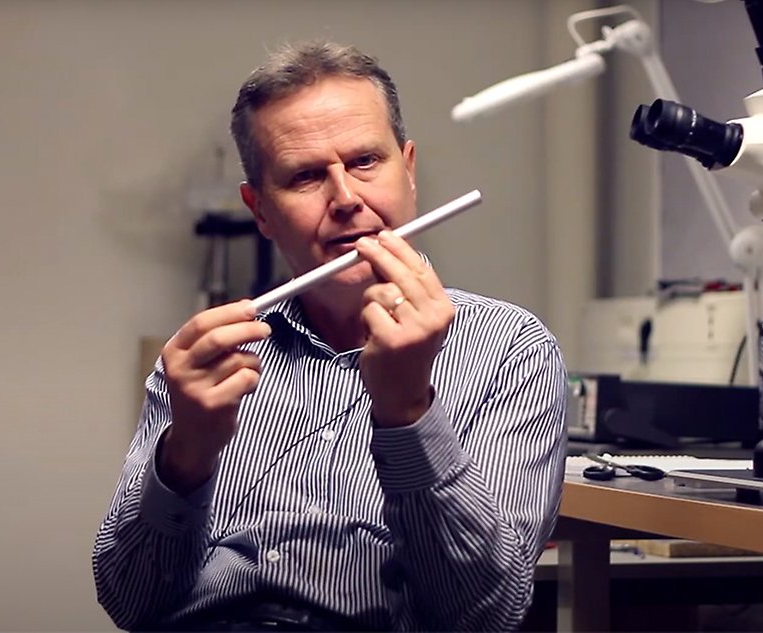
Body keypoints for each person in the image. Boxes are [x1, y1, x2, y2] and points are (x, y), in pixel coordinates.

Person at [93, 40, 567, 632]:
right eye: (306, 176)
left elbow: (483, 615)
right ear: (260, 210)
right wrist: (185, 452)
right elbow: (129, 603)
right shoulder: (211, 359)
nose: (346, 199)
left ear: (409, 169)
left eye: (366, 161)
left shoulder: (511, 350)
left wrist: (407, 413)